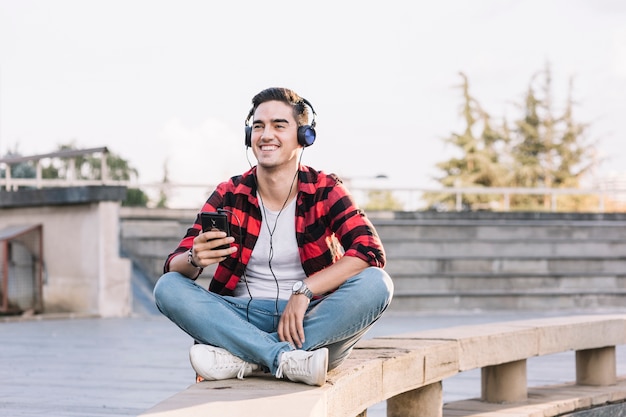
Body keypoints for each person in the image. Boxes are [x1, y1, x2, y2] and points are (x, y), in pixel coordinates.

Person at [153, 87, 394, 387]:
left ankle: (244, 357)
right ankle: (281, 358)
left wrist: (304, 291)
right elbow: (174, 265)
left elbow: (369, 252)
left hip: (308, 322)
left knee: (377, 283)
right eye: (258, 126)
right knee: (167, 287)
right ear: (248, 136)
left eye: (279, 125)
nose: (266, 134)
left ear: (304, 136)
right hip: (240, 317)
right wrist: (193, 258)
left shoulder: (325, 189)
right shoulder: (230, 193)